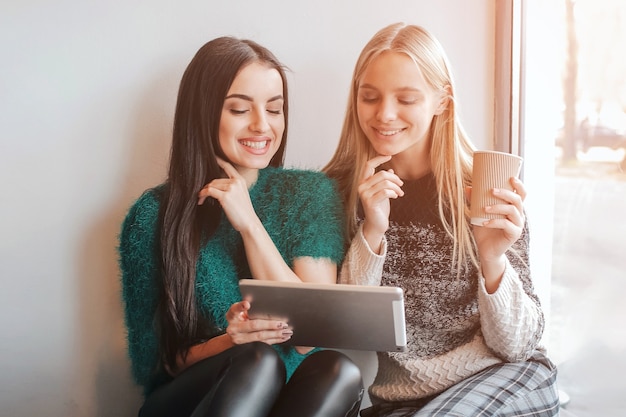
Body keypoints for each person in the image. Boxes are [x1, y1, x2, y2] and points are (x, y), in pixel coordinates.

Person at [118, 36, 363, 417]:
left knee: (339, 370)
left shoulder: (309, 195)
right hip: (191, 400)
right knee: (257, 360)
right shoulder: (153, 215)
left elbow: (312, 334)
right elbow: (155, 363)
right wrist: (230, 341)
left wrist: (249, 224)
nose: (262, 126)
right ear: (203, 113)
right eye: (238, 109)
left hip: (287, 400)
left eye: (275, 109)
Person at [324, 23, 560, 417]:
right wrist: (373, 230)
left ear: (442, 102)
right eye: (370, 97)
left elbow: (516, 345)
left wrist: (493, 260)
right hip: (406, 401)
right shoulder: (341, 192)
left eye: (406, 99)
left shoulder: (484, 184)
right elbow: (351, 328)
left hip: (507, 380)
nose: (385, 114)